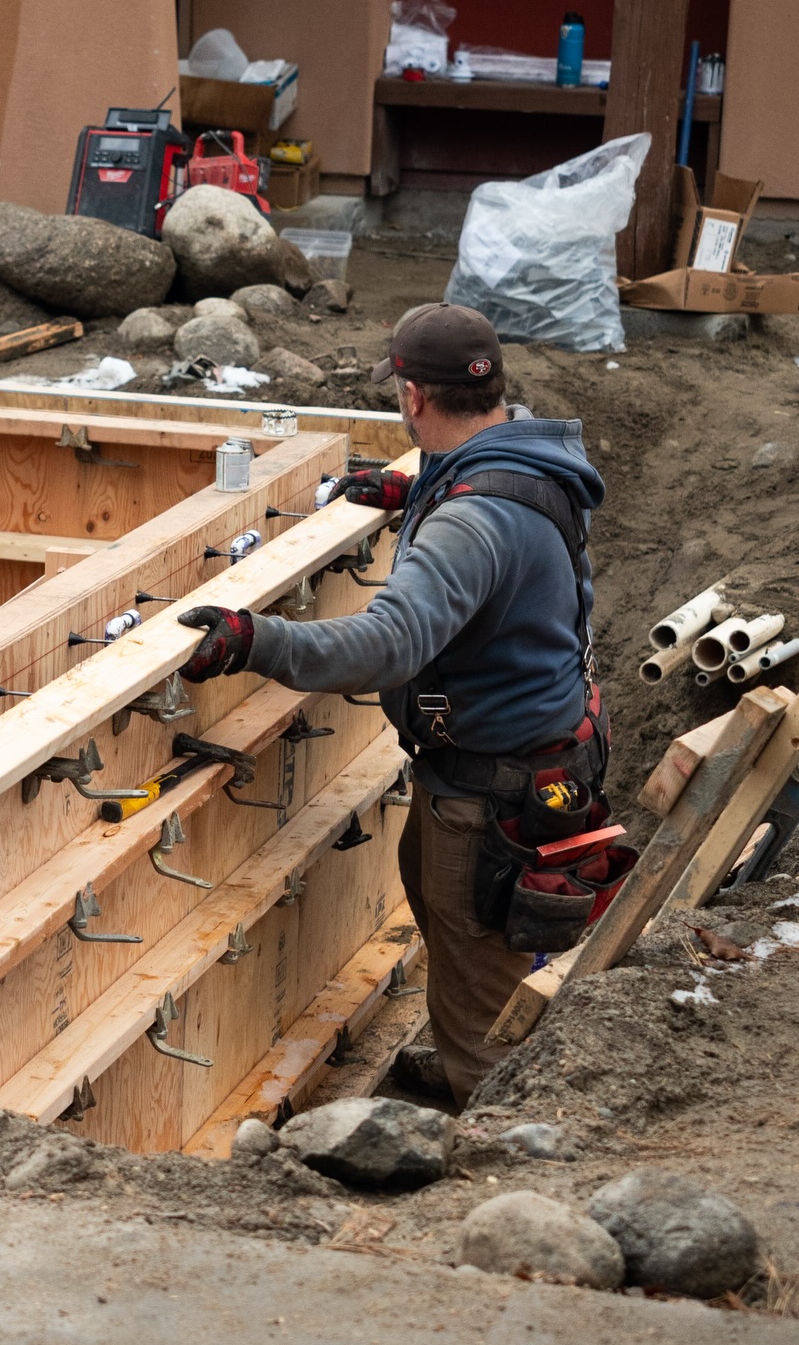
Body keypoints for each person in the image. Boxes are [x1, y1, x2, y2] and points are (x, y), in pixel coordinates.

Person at [176, 303, 607, 1107]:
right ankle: (459, 1052)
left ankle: (492, 1136)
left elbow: (387, 644)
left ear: (413, 397)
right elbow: (484, 524)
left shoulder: (474, 520)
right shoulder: (520, 460)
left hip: (495, 787)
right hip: (524, 759)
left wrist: (253, 640)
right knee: (437, 899)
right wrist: (414, 487)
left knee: (480, 970)